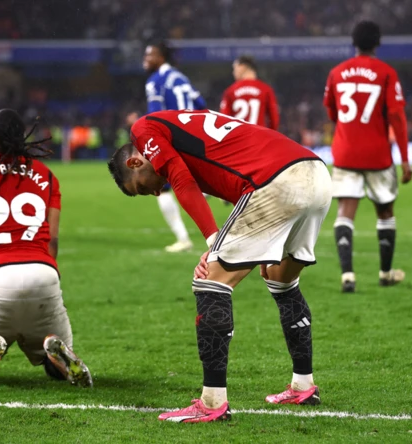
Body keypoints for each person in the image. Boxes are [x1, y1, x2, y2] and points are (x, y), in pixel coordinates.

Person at [108, 109, 331, 423]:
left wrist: (213, 242)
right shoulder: (185, 128)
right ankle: (303, 385)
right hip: (316, 173)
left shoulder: (143, 129)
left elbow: (181, 179)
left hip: (273, 180)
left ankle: (212, 401)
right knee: (281, 279)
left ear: (135, 162)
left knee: (211, 282)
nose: (156, 192)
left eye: (143, 187)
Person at [0, 109, 91, 394]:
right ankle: (55, 354)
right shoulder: (47, 176)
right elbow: (52, 242)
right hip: (44, 274)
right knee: (53, 366)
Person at [323, 20, 412, 293]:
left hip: (346, 150)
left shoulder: (337, 73)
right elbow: (397, 116)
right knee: (384, 210)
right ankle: (385, 273)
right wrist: (405, 159)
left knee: (345, 212)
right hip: (377, 153)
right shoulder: (386, 73)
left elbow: (331, 110)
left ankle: (348, 275)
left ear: (353, 42)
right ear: (377, 43)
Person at [144, 41, 207, 253]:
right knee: (194, 181)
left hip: (174, 138)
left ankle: (183, 238)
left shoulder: (155, 81)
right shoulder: (181, 77)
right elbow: (201, 105)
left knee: (161, 189)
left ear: (161, 57)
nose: (146, 59)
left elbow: (154, 116)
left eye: (149, 55)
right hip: (195, 136)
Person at [219, 55, 279, 130]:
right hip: (258, 137)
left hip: (238, 138)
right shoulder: (266, 90)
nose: (233, 73)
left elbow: (224, 119)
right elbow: (274, 120)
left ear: (242, 67)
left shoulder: (230, 91)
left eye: (235, 69)